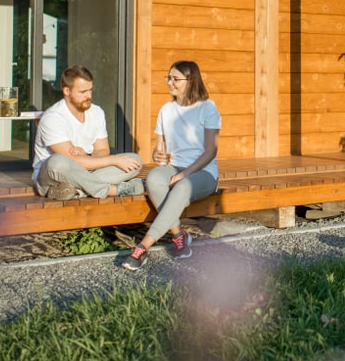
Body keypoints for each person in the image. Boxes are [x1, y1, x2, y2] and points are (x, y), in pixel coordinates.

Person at [122, 60, 220, 270]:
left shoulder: (207, 108)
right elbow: (160, 148)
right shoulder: (166, 110)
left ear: (190, 81)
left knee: (183, 186)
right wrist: (158, 155)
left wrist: (185, 173)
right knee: (154, 178)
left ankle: (143, 246)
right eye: (168, 78)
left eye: (175, 79)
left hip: (203, 172)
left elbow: (211, 151)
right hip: (175, 167)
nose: (170, 82)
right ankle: (179, 235)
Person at [33, 65, 144, 200]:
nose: (89, 96)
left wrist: (87, 154)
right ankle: (111, 190)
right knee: (57, 162)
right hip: (52, 177)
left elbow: (103, 150)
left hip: (87, 171)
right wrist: (114, 160)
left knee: (134, 160)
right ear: (67, 91)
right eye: (83, 92)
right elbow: (71, 162)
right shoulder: (53, 117)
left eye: (90, 90)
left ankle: (76, 191)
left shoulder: (96, 112)